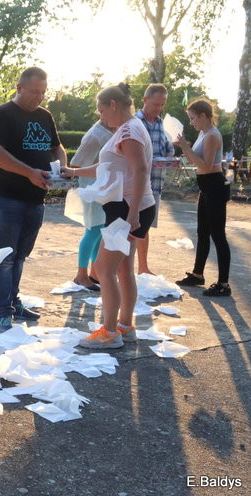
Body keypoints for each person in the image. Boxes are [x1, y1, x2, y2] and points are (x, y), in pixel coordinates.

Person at [64, 84, 156, 350]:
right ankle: (125, 326)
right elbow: (108, 168)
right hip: (131, 207)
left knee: (104, 268)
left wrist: (133, 212)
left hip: (126, 209)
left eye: (102, 110)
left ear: (113, 105)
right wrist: (71, 172)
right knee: (124, 269)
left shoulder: (128, 130)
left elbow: (139, 170)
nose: (100, 116)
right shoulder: (132, 128)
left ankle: (110, 332)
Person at [0, 67, 66, 333]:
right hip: (7, 196)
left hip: (36, 197)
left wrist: (61, 168)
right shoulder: (1, 115)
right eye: (34, 92)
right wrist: (29, 172)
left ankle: (13, 302)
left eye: (43, 92)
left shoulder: (45, 115)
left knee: (20, 256)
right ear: (19, 88)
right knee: (4, 256)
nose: (39, 97)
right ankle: (3, 313)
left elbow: (57, 146)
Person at [173, 99, 231, 296]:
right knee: (202, 232)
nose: (191, 122)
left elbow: (205, 165)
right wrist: (184, 148)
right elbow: (195, 161)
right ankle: (198, 274)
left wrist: (186, 148)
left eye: (193, 118)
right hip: (206, 187)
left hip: (214, 185)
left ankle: (224, 284)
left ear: (204, 116)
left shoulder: (213, 136)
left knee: (218, 235)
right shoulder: (203, 133)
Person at [69, 120, 115, 290]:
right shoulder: (95, 134)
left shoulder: (109, 130)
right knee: (93, 229)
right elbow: (76, 163)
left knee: (100, 230)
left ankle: (95, 273)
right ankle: (81, 274)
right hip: (92, 188)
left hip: (102, 189)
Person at [135, 84, 174, 275]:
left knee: (145, 226)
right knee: (128, 225)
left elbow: (167, 147)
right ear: (145, 100)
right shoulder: (134, 121)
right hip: (135, 184)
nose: (159, 109)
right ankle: (120, 268)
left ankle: (143, 267)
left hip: (155, 183)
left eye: (162, 105)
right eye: (156, 104)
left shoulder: (160, 123)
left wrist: (171, 156)